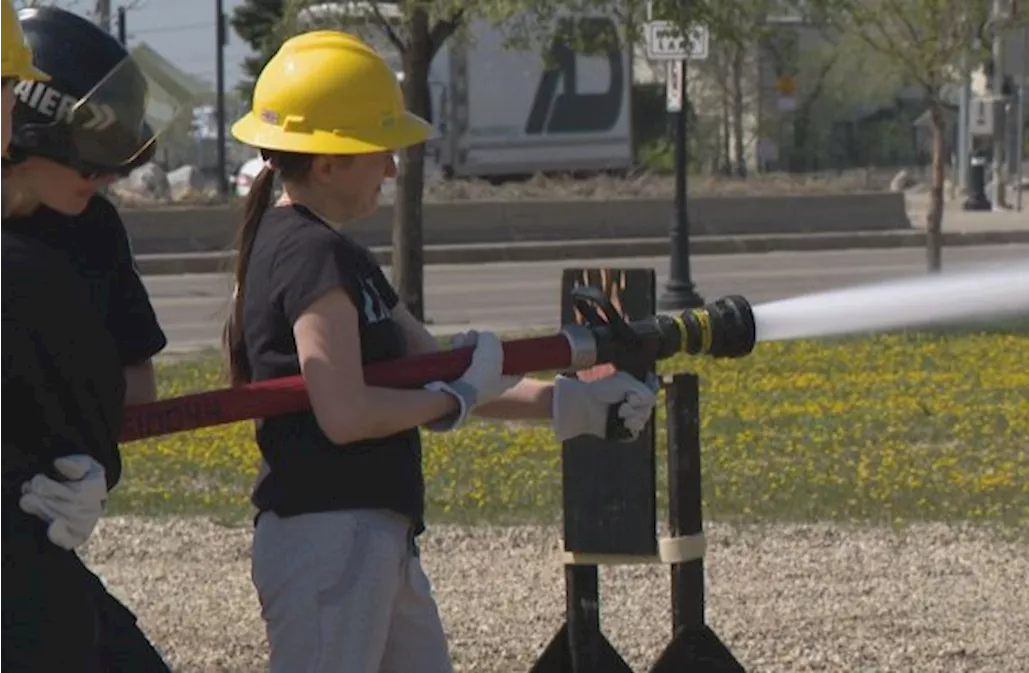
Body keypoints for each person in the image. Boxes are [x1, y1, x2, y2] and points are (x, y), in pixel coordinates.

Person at [225, 30, 658, 673]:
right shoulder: (308, 254)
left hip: (371, 536)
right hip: (327, 535)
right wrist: (449, 400)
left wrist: (576, 404)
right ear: (326, 162)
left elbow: (442, 367)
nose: (395, 169)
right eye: (383, 152)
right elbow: (345, 413)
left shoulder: (338, 255)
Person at [0, 6, 172, 672]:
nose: (107, 176)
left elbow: (128, 381)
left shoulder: (89, 234)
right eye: (92, 155)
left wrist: (88, 465)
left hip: (37, 539)